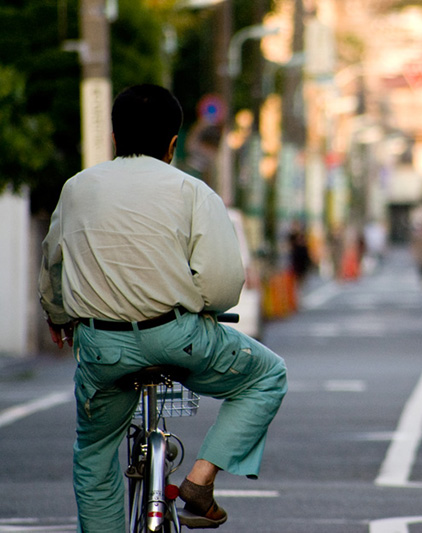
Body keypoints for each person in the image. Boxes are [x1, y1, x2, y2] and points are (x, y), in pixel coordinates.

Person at [38, 84, 288, 532]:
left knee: (94, 457)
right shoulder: (193, 192)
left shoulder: (76, 189)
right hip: (179, 339)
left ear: (114, 139)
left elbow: (53, 268)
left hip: (102, 349)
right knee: (267, 375)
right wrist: (201, 306)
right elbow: (224, 286)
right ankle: (199, 480)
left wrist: (59, 318)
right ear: (173, 144)